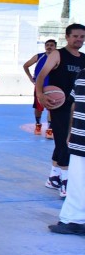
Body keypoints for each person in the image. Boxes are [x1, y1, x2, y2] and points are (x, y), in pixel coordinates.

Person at [35, 23, 85, 198]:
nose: (79, 39)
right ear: (67, 37)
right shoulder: (58, 54)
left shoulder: (84, 58)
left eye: (82, 37)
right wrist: (40, 95)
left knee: (63, 141)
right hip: (58, 105)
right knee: (65, 142)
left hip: (76, 107)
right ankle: (66, 182)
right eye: (75, 36)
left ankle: (54, 177)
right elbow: (41, 76)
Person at [49, 67, 85, 235]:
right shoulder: (82, 74)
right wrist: (71, 132)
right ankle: (74, 220)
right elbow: (74, 105)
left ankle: (74, 220)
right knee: (77, 182)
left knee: (78, 182)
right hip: (79, 139)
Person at [23, 39, 57, 137]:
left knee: (51, 108)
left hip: (52, 87)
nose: (49, 47)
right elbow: (26, 66)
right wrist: (30, 77)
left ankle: (50, 129)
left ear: (55, 47)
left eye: (51, 45)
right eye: (47, 45)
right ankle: (38, 124)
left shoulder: (59, 58)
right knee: (38, 108)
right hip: (39, 87)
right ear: (45, 46)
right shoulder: (39, 56)